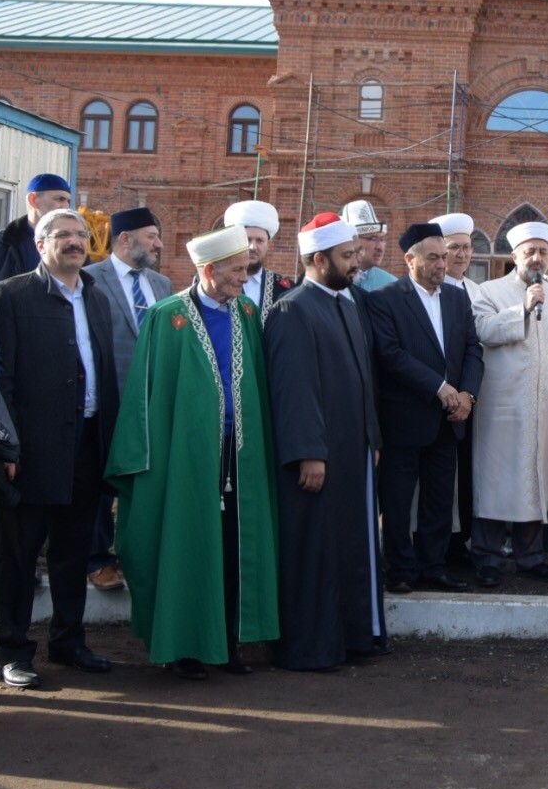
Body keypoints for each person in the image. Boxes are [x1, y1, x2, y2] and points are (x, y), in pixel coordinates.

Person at [106, 225, 280, 680]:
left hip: (238, 451)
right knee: (188, 545)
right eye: (237, 270)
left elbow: (257, 382)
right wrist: (141, 459)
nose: (245, 279)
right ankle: (184, 646)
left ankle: (228, 643)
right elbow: (148, 395)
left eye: (246, 269)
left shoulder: (245, 311)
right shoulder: (168, 316)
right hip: (183, 455)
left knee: (231, 547)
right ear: (208, 270)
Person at [0, 209, 118, 689]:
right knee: (19, 557)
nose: (73, 242)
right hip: (29, 451)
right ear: (40, 244)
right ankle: (14, 650)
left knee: (72, 552)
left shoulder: (96, 297)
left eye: (80, 234)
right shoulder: (12, 295)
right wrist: (6, 445)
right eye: (61, 234)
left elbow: (104, 374)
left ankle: (68, 641)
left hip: (86, 446)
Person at [265, 214, 388, 670]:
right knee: (316, 549)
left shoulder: (348, 303)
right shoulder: (293, 308)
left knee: (352, 548)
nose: (358, 262)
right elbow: (293, 390)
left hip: (353, 454)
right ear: (319, 259)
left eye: (357, 253)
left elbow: (364, 381)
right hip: (317, 459)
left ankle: (354, 638)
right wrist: (308, 453)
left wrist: (372, 437)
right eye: (348, 255)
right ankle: (312, 647)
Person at [0, 173, 73, 585]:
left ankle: (31, 562)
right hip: (5, 353)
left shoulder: (73, 245)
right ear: (33, 200)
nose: (66, 203)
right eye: (58, 198)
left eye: (69, 198)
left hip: (48, 366)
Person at [470, 222, 548, 586]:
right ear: (514, 254)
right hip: (499, 407)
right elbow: (482, 331)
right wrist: (521, 309)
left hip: (545, 407)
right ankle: (488, 559)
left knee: (537, 479)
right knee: (493, 481)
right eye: (530, 251)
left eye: (543, 251)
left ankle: (531, 557)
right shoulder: (488, 291)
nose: (537, 258)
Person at [367, 223, 483, 592]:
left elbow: (473, 350)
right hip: (404, 418)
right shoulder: (385, 299)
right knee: (398, 501)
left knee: (438, 498)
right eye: (433, 257)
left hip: (449, 419)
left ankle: (434, 567)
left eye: (444, 257)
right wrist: (440, 387)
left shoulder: (456, 298)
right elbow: (390, 355)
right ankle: (400, 570)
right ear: (410, 259)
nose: (442, 264)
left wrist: (467, 394)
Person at [81, 206, 171, 592]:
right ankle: (98, 559)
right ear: (124, 239)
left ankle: (137, 555)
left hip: (151, 401)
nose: (158, 244)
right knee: (100, 480)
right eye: (151, 236)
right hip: (108, 396)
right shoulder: (89, 279)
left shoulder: (163, 285)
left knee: (144, 478)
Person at [432, 211, 482, 556]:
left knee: (465, 474)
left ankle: (461, 539)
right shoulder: (427, 291)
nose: (461, 255)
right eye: (453, 248)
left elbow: (475, 349)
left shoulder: (480, 291)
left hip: (469, 401)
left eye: (466, 247)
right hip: (434, 401)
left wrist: (468, 393)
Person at [0, 173, 73, 286]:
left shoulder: (75, 247)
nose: (66, 206)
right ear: (33, 200)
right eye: (60, 199)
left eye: (68, 201)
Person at [225, 199, 293, 323]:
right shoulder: (219, 282)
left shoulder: (284, 289)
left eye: (260, 241)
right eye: (247, 239)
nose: (253, 247)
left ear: (268, 245)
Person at [343, 200, 397, 292]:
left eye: (382, 239)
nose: (380, 247)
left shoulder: (393, 285)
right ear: (353, 241)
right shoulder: (334, 282)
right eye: (373, 239)